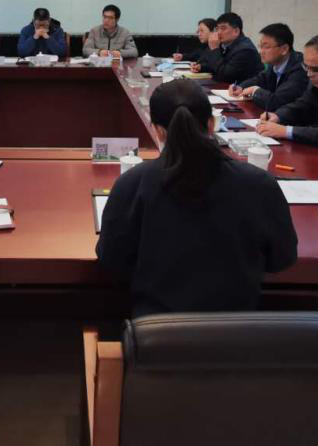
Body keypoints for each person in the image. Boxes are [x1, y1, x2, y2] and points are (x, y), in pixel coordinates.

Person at [97, 79, 297, 315]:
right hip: (238, 332)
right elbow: (282, 259)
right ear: (211, 124)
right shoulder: (260, 184)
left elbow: (111, 259)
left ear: (157, 131)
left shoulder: (132, 183)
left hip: (157, 331)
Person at [229, 23, 308, 111]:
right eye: (260, 46)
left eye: (266, 47)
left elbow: (276, 102)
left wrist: (255, 91)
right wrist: (240, 87)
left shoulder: (300, 69)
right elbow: (260, 79)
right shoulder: (275, 64)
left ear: (284, 49)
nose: (261, 51)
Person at [190, 12, 263, 84]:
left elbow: (225, 75)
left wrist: (215, 49)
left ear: (236, 31)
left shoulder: (245, 50)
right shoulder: (227, 45)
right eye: (217, 29)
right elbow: (221, 65)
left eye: (223, 28)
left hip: (244, 89)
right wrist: (202, 67)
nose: (219, 32)